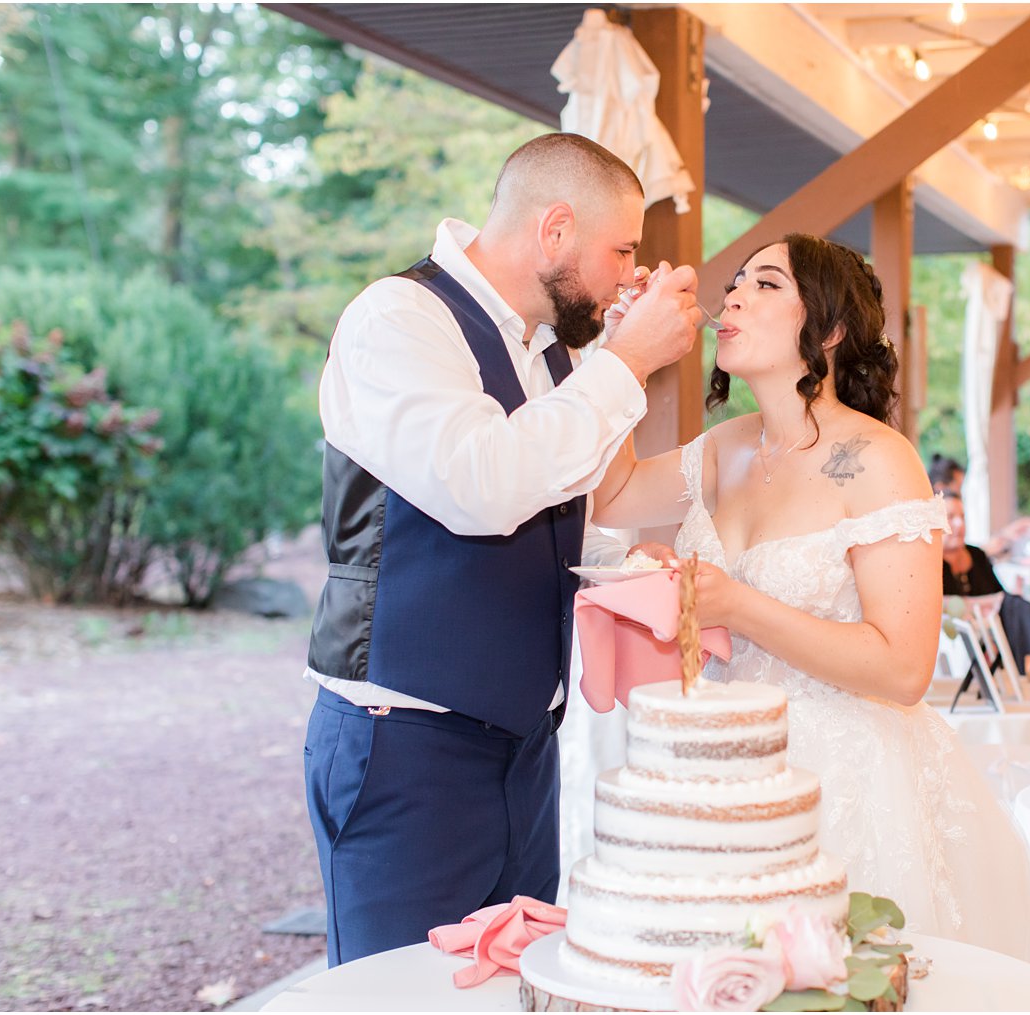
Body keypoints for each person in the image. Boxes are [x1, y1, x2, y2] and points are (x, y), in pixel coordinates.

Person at [301, 133, 701, 965]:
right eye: (621, 248)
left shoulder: (551, 351)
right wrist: (622, 362)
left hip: (523, 747)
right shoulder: (398, 318)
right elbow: (480, 486)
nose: (631, 271)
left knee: (512, 983)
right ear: (555, 230)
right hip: (407, 743)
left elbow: (583, 492)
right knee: (402, 993)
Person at [592, 233, 1011, 953]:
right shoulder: (726, 446)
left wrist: (736, 605)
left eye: (766, 283)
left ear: (831, 327)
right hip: (720, 774)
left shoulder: (879, 461)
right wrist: (618, 359)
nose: (732, 296)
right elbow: (610, 495)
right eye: (735, 284)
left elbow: (905, 669)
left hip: (837, 780)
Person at [941, 490, 1004, 596]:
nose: (959, 524)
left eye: (962, 517)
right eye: (950, 517)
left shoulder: (977, 555)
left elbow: (1000, 596)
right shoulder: (929, 565)